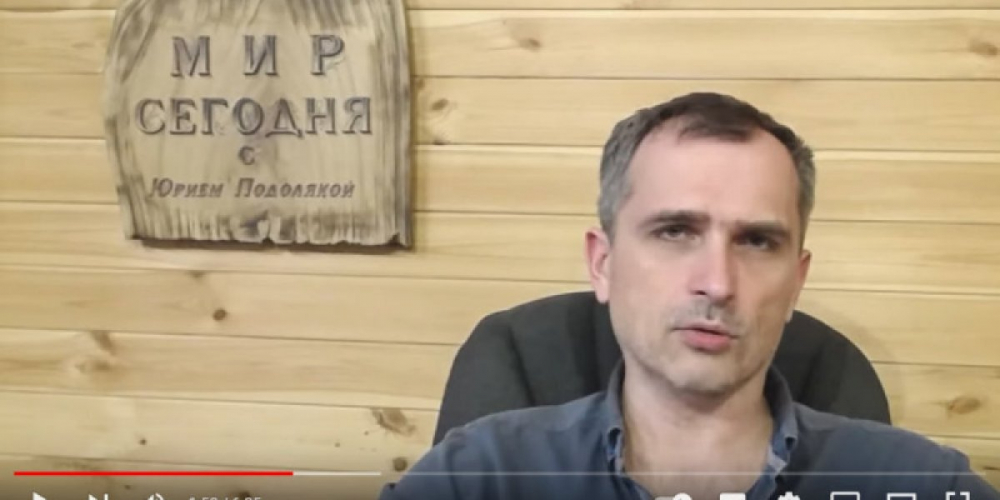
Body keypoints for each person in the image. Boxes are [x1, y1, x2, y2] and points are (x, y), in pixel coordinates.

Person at [379, 92, 1000, 500]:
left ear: (796, 282)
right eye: (675, 231)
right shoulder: (479, 476)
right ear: (603, 263)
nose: (718, 283)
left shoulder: (919, 482)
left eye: (757, 241)